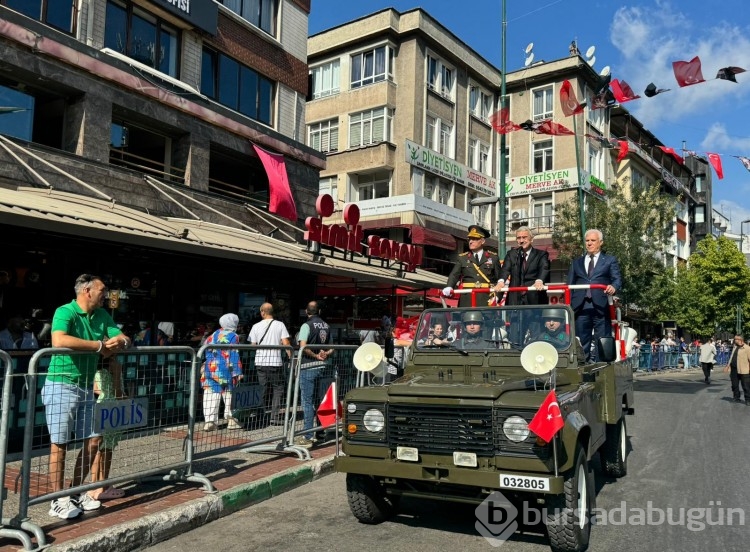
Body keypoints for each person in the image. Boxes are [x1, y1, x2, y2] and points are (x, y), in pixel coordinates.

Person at [42, 273, 130, 519]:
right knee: (59, 444)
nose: (106, 294)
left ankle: (74, 492)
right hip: (62, 384)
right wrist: (100, 346)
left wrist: (119, 342)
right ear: (87, 291)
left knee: (94, 439)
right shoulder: (65, 311)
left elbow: (121, 336)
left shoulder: (102, 315)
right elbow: (59, 339)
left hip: (85, 386)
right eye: (102, 290)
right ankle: (56, 499)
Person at [566, 229, 622, 363]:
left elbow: (617, 279)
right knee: (581, 340)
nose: (589, 243)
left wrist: (613, 287)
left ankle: (600, 370)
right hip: (581, 306)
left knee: (602, 340)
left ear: (600, 242)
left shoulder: (609, 260)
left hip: (601, 306)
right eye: (587, 241)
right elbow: (569, 284)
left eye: (593, 240)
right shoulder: (576, 262)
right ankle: (581, 370)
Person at [295, 301, 334, 449]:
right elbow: (332, 348)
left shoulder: (306, 325)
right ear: (320, 311)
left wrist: (316, 355)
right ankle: (321, 432)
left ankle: (308, 435)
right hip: (323, 367)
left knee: (307, 401)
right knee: (318, 400)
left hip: (308, 365)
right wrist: (325, 354)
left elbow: (303, 346)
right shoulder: (326, 326)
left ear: (307, 311)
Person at [89, 357, 126, 501]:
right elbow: (117, 390)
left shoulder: (97, 366)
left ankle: (93, 486)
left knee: (99, 448)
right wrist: (125, 398)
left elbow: (95, 389)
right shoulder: (115, 364)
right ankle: (103, 486)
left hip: (101, 404)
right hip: (113, 407)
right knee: (107, 449)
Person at [249, 303, 292, 426]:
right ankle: (274, 416)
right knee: (278, 388)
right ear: (272, 312)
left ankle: (260, 415)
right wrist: (291, 357)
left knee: (262, 388)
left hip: (260, 362)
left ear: (262, 312)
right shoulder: (280, 325)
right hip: (275, 362)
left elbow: (253, 345)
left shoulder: (255, 326)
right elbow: (286, 343)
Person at [200, 313, 243, 431]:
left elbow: (206, 350)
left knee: (211, 394)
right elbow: (234, 354)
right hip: (226, 369)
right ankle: (231, 420)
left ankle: (210, 422)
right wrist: (237, 372)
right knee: (229, 394)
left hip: (210, 368)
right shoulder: (234, 336)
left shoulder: (213, 334)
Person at [444, 225, 501, 307]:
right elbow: (454, 275)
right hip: (467, 300)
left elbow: (500, 280)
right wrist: (449, 286)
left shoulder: (493, 258)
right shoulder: (462, 258)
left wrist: (497, 297)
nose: (471, 241)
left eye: (474, 239)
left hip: (487, 299)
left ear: (482, 241)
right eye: (469, 239)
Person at [494, 226, 551, 305]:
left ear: (531, 239)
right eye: (519, 238)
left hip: (534, 297)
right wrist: (501, 282)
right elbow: (505, 269)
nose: (521, 240)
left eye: (524, 237)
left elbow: (544, 268)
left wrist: (539, 280)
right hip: (515, 298)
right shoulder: (512, 254)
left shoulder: (541, 254)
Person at [724, 334, 750, 405]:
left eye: (736, 339)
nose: (734, 340)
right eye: (735, 339)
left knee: (746, 385)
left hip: (744, 370)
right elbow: (731, 357)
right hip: (734, 369)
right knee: (734, 384)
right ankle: (736, 397)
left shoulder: (747, 348)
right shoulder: (735, 347)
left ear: (740, 340)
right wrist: (727, 366)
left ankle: (748, 400)